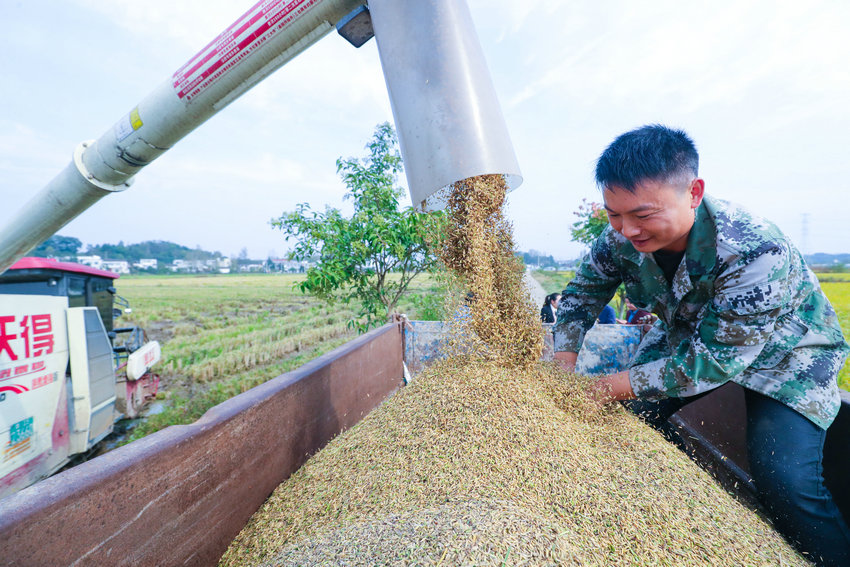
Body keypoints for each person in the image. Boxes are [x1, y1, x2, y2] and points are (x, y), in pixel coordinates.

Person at [553, 124, 850, 566]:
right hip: (691, 336)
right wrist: (563, 358)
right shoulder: (618, 238)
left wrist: (609, 385)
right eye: (614, 214)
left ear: (693, 192)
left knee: (785, 481)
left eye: (643, 214)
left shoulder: (753, 247)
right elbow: (581, 295)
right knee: (627, 422)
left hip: (788, 357)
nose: (627, 229)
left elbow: (715, 361)